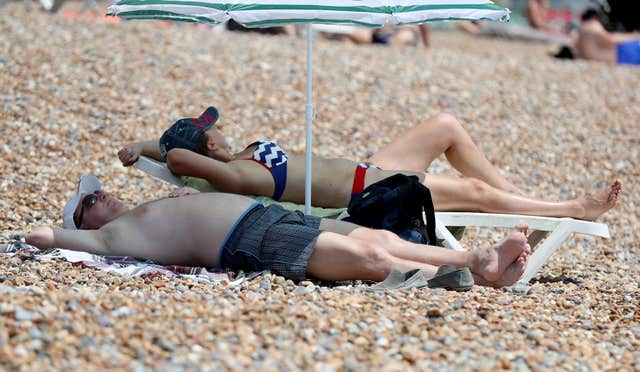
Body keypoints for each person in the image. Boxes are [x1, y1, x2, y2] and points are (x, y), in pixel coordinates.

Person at [118, 107, 621, 220]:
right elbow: (186, 158)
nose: (218, 130)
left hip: (366, 168)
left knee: (445, 124)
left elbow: (189, 143)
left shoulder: (232, 154)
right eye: (210, 132)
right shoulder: (237, 172)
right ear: (205, 150)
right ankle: (567, 210)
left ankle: (527, 203)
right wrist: (160, 153)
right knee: (479, 198)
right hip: (374, 191)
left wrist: (142, 146)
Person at [28, 174, 531, 288]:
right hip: (244, 239)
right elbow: (42, 237)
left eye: (97, 190)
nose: (103, 195)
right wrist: (38, 233)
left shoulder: (143, 210)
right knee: (359, 256)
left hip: (265, 217)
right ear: (83, 223)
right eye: (90, 201)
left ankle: (474, 263)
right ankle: (467, 269)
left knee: (377, 240)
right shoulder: (109, 240)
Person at [574, 9, 640, 66]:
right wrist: (634, 36)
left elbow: (578, 53)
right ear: (595, 16)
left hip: (610, 59)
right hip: (622, 57)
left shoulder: (581, 30)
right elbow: (610, 39)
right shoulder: (592, 25)